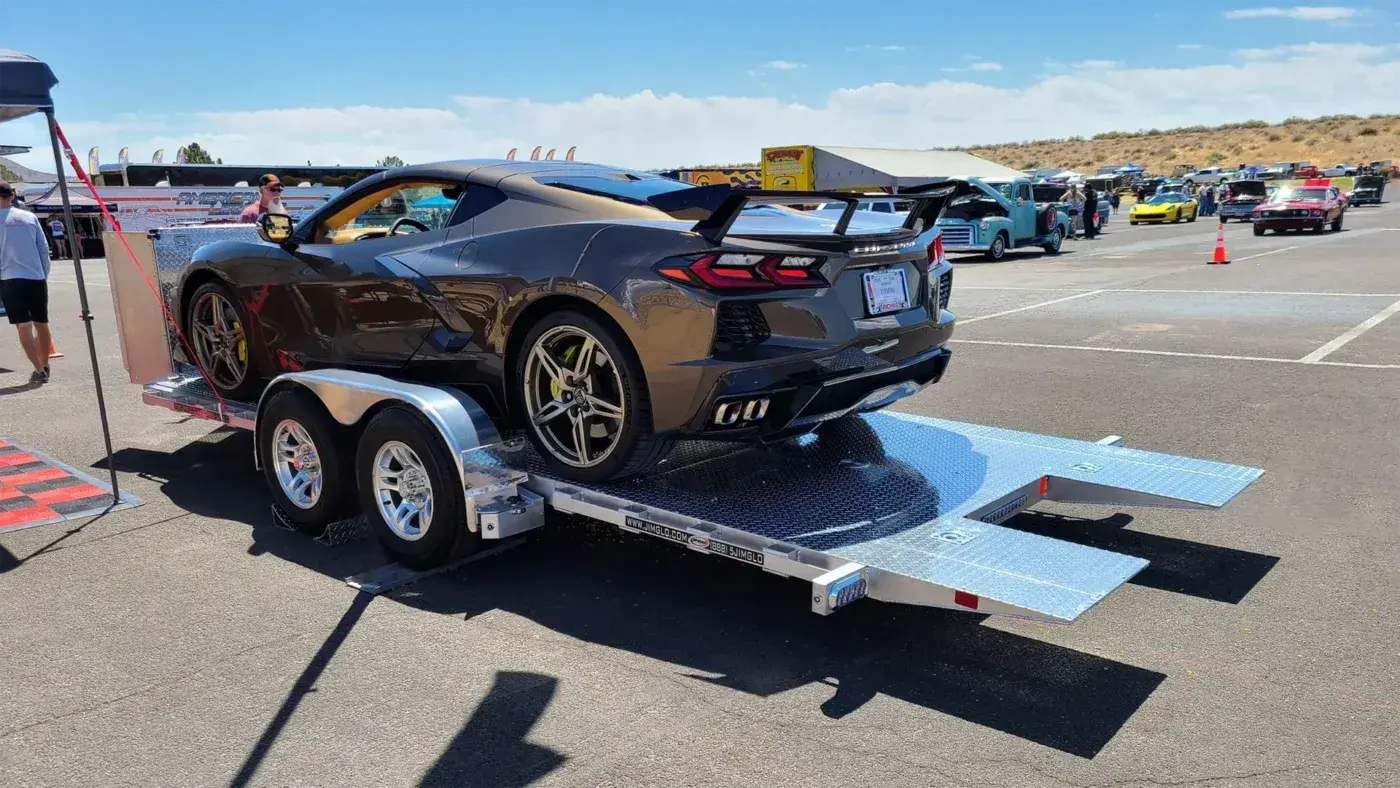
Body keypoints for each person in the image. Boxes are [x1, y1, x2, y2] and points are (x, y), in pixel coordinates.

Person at [0, 180, 55, 383]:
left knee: (23, 326)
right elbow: (43, 249)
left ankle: (38, 369)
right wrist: (42, 274)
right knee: (42, 323)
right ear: (11, 196)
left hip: (9, 279)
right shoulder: (29, 217)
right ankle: (46, 363)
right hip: (35, 277)